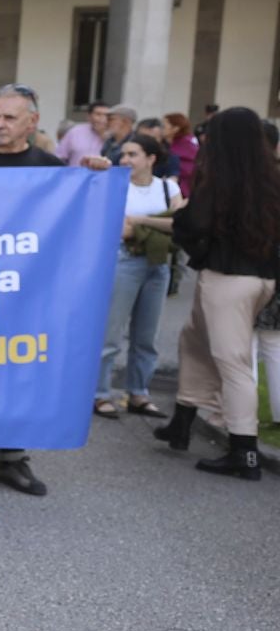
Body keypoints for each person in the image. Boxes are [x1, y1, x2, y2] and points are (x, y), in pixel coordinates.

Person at [0, 84, 109, 497]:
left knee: (19, 373)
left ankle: (13, 460)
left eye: (9, 118)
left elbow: (80, 221)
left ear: (32, 122)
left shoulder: (51, 168)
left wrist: (98, 178)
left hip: (29, 293)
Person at [134, 107, 280, 480]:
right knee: (194, 343)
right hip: (259, 279)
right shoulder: (270, 178)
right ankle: (182, 422)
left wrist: (180, 213)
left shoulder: (221, 179)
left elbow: (193, 224)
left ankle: (243, 451)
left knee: (232, 363)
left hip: (226, 280)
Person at [94, 137, 181, 421]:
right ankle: (100, 394)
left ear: (151, 158)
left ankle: (139, 392)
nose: (125, 160)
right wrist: (159, 222)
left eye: (133, 154)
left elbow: (178, 223)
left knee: (147, 336)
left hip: (158, 264)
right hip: (123, 261)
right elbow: (119, 230)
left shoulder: (168, 187)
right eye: (123, 154)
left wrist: (140, 221)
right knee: (111, 334)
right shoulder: (116, 186)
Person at [164, 112, 199, 193]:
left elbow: (188, 168)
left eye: (164, 126)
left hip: (184, 189)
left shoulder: (186, 145)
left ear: (175, 128)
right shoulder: (173, 142)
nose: (160, 129)